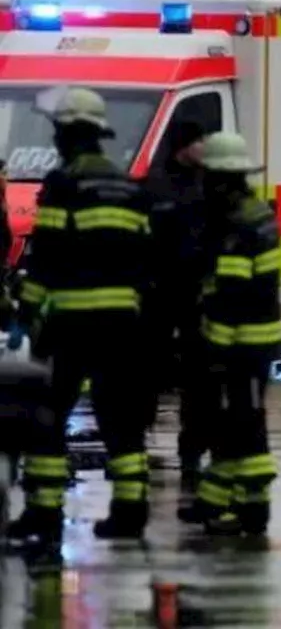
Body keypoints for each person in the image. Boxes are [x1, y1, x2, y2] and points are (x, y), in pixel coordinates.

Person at [7, 87, 154, 546]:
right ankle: (130, 513)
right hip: (121, 328)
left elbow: (45, 259)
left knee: (48, 419)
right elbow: (146, 261)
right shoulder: (127, 186)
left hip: (69, 326)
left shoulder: (63, 185)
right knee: (121, 421)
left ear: (68, 135)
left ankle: (44, 515)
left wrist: (26, 315)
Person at [178, 132, 281, 535]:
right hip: (250, 341)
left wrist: (214, 348)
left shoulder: (239, 225)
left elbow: (231, 293)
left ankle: (254, 505)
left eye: (208, 177)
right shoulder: (254, 215)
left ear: (222, 179)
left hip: (243, 344)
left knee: (246, 425)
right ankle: (219, 502)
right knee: (234, 422)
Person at [142, 120, 213, 487]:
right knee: (147, 375)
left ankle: (191, 454)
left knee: (198, 381)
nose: (204, 145)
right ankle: (138, 443)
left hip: (195, 299)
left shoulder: (209, 184)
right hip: (159, 296)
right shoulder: (158, 185)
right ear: (183, 146)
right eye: (199, 139)